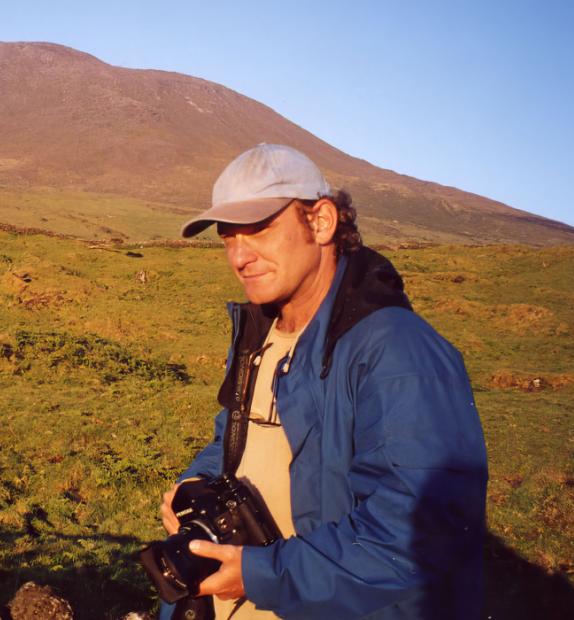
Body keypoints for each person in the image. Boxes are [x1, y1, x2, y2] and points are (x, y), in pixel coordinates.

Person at [158, 144, 488, 620]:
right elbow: (236, 438)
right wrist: (197, 482)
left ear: (321, 222)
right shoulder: (260, 334)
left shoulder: (398, 353)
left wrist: (262, 575)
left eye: (259, 230)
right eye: (228, 238)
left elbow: (415, 531)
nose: (239, 257)